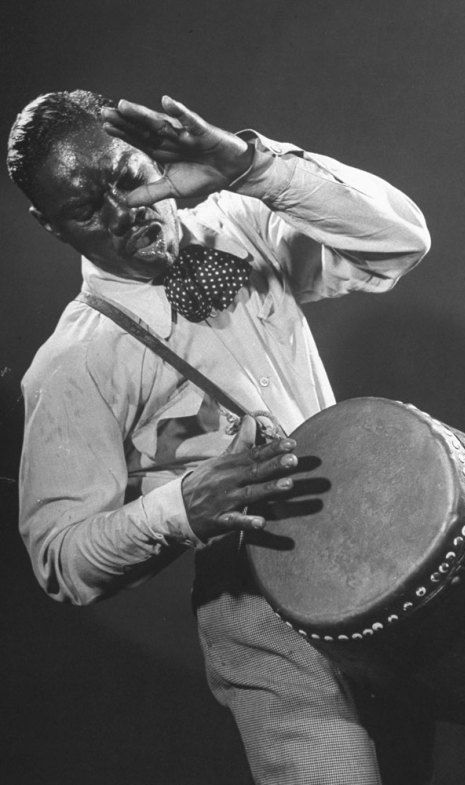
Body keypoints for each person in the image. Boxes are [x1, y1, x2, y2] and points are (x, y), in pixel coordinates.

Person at [8, 90, 432, 784]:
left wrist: (248, 165)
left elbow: (400, 241)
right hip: (256, 608)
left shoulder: (238, 222)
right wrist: (180, 509)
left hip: (372, 558)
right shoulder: (70, 365)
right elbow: (58, 558)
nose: (124, 213)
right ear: (50, 226)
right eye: (86, 210)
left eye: (126, 177)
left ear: (149, 153)